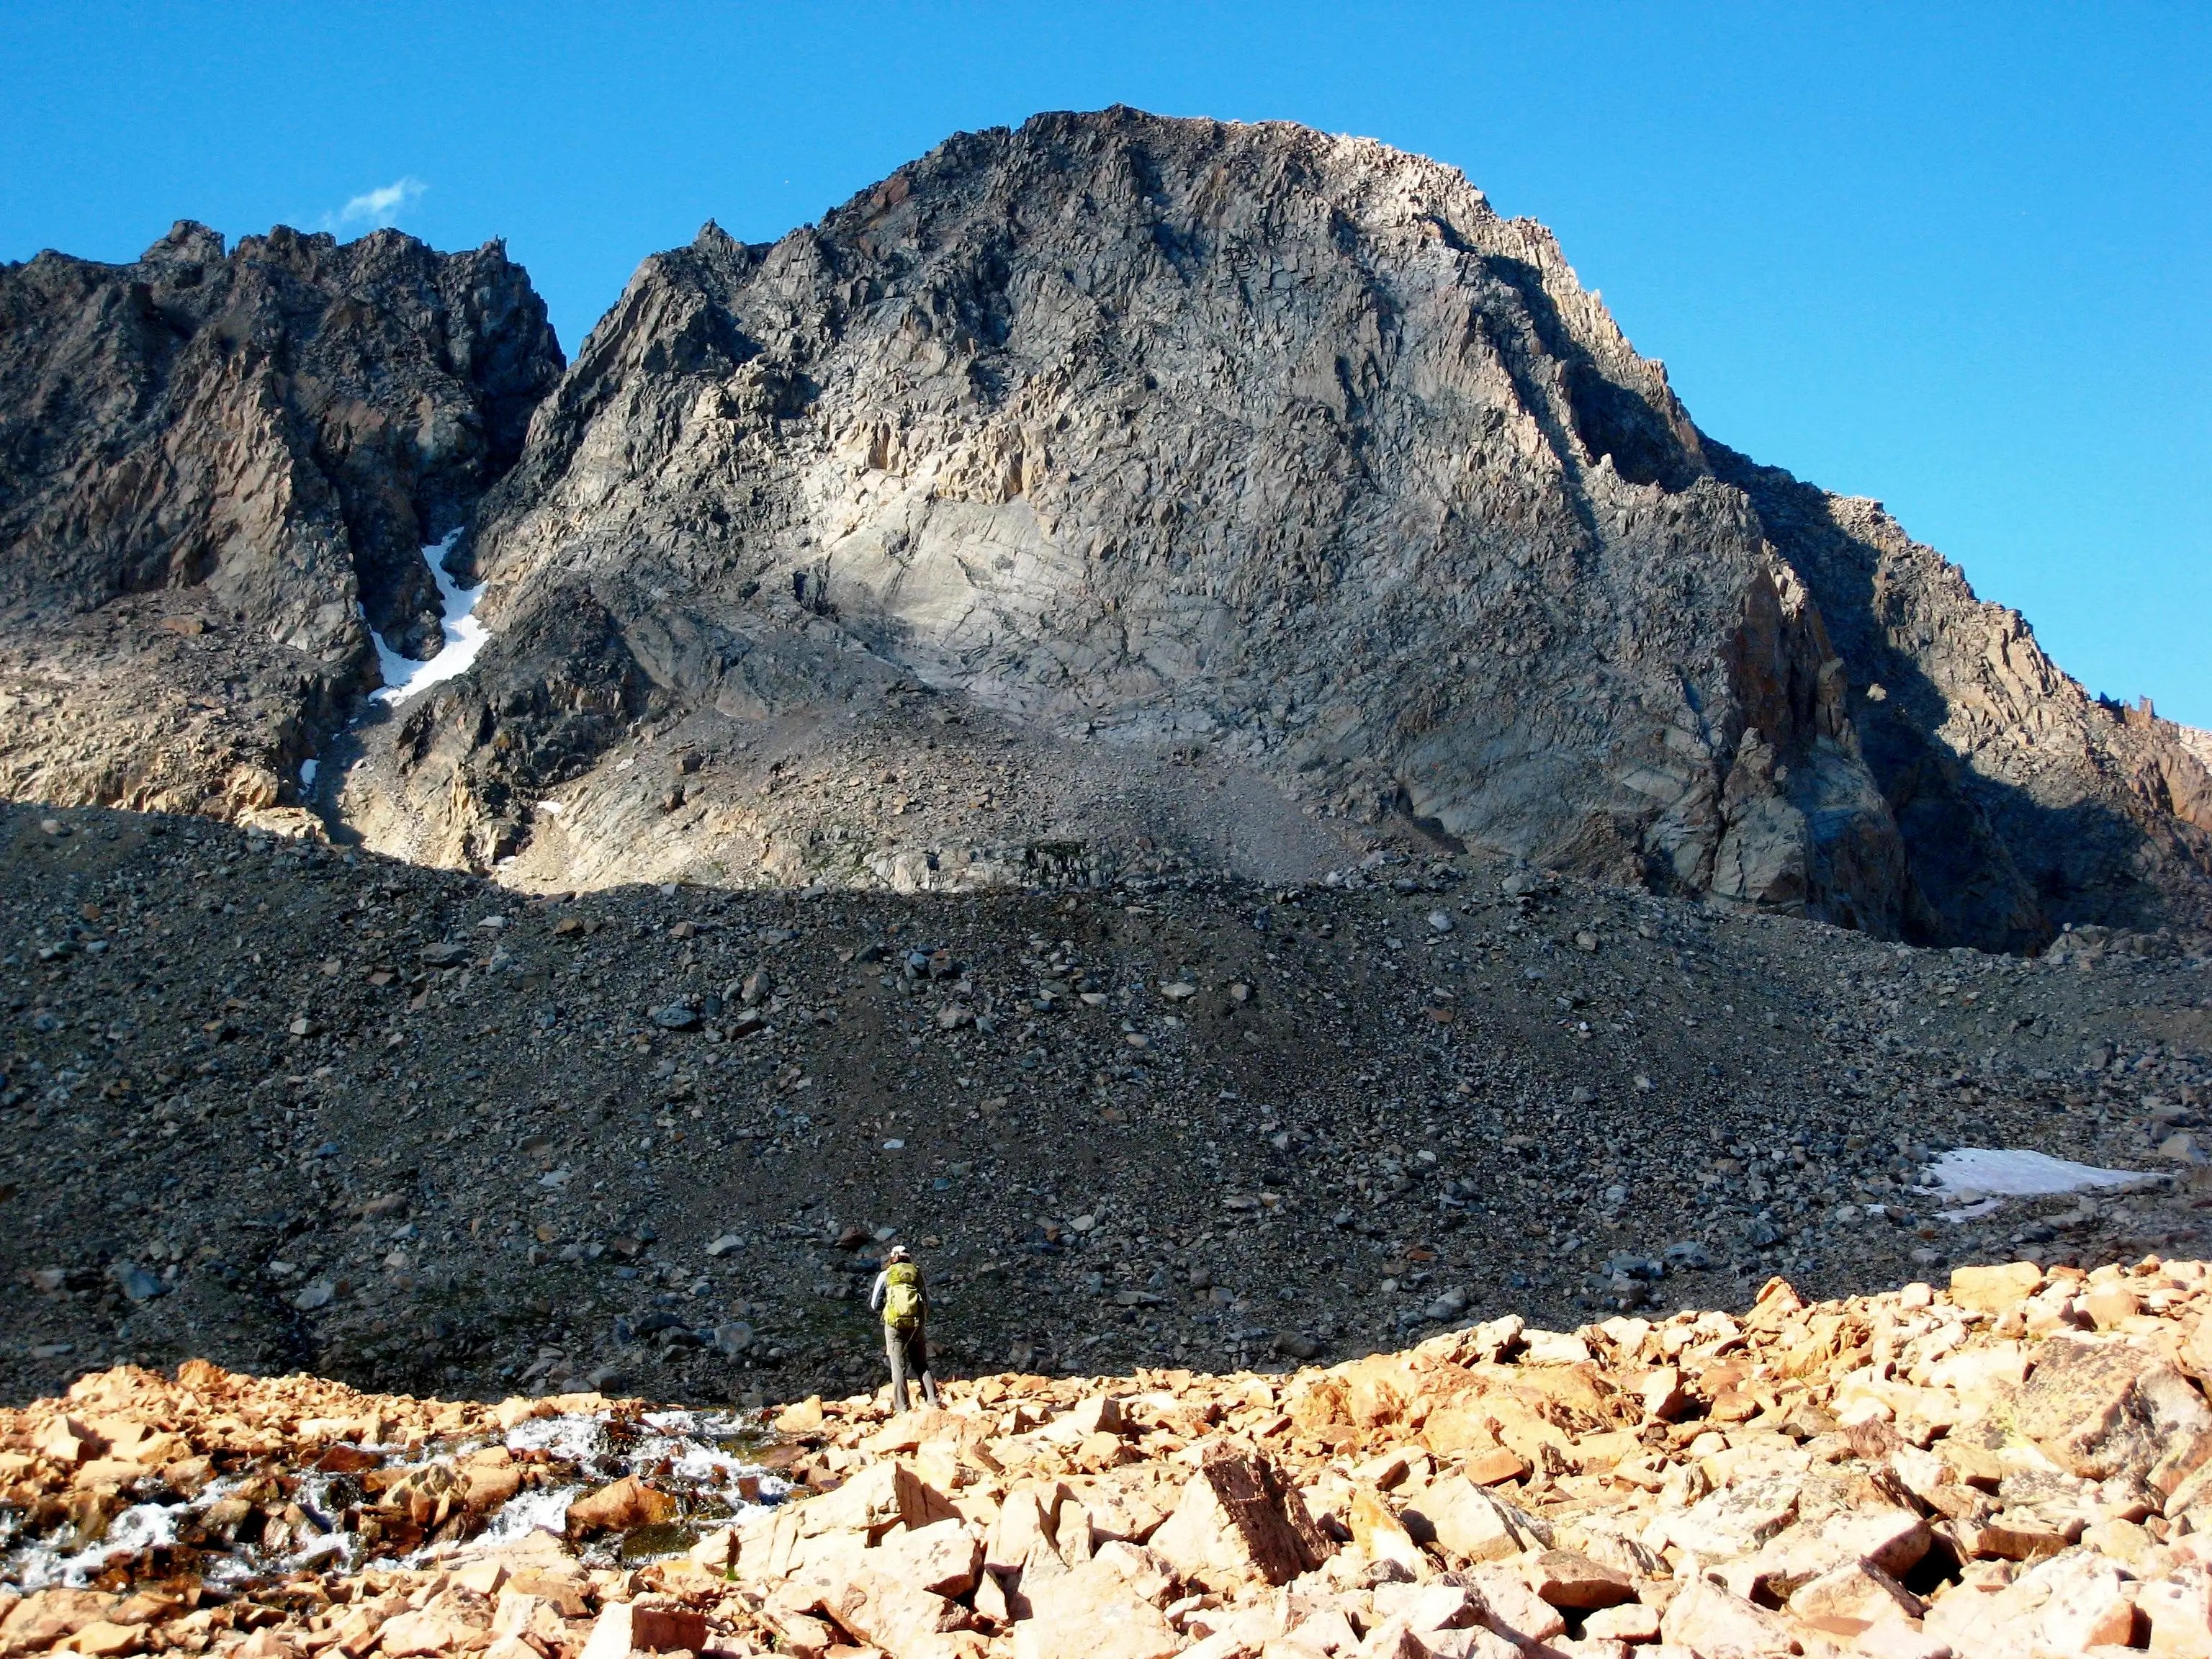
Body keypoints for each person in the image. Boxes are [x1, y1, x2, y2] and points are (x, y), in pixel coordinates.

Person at [868, 1243, 939, 1411]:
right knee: (921, 1363)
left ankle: (902, 1407)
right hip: (916, 1325)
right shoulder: (917, 1274)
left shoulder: (886, 1275)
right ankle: (933, 1400)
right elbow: (927, 1303)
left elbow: (874, 1305)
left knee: (898, 1366)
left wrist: (889, 1308)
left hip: (894, 1326)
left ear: (893, 1258)